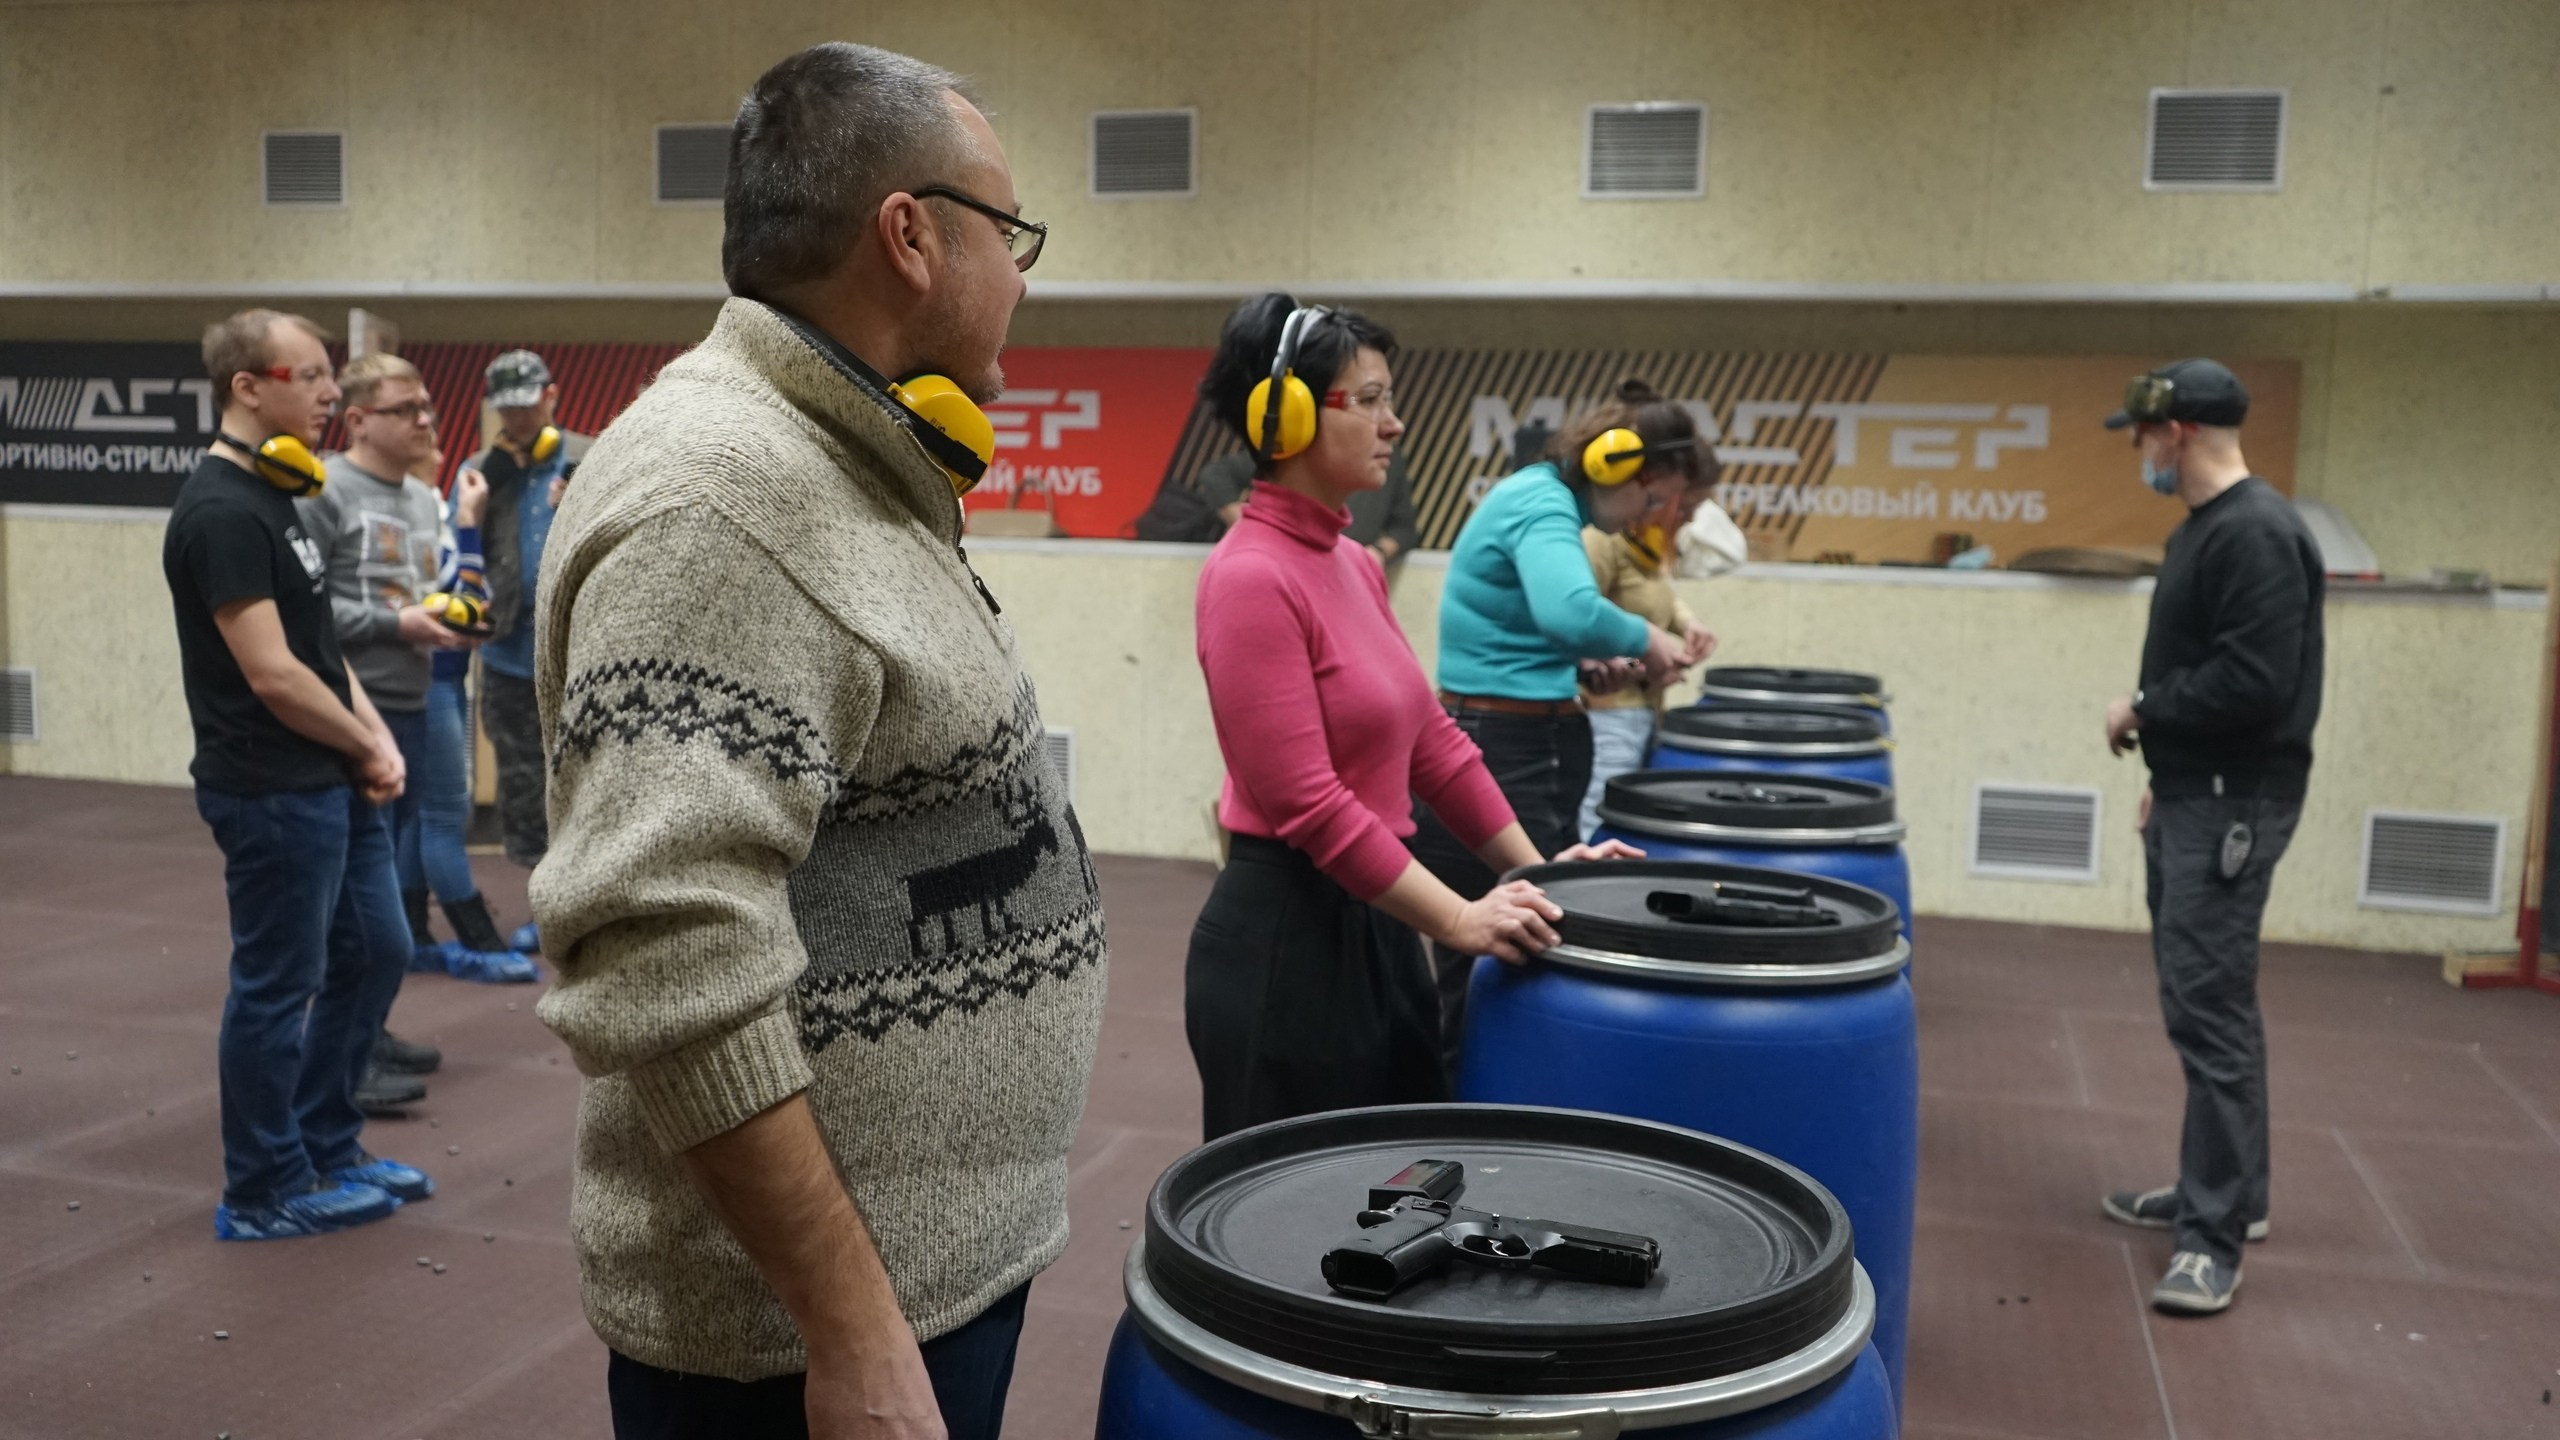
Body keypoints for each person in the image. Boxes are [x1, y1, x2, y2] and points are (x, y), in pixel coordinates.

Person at [529, 43, 1098, 1440]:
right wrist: (854, 1332)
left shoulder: (845, 463)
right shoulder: (723, 508)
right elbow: (664, 947)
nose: (1025, 275)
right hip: (815, 1343)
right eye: (1009, 235)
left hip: (925, 1279)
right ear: (910, 236)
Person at [1185, 295, 1634, 1142]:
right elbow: (1308, 805)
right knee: (1294, 1235)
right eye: (1370, 400)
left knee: (1398, 1192)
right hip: (1287, 946)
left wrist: (1540, 875)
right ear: (1282, 419)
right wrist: (1462, 920)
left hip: (1383, 924)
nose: (1394, 423)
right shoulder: (1247, 577)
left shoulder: (1352, 563)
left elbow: (1434, 743)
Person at [160, 309, 435, 1240]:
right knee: (279, 982)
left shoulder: (278, 496)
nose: (332, 395)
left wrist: (374, 737)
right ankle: (263, 1185)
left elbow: (317, 652)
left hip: (330, 776)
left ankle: (325, 1140)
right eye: (313, 376)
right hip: (270, 788)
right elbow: (273, 675)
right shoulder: (222, 512)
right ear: (249, 386)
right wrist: (363, 744)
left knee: (378, 949)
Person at [2096, 358, 2324, 1317]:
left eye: (2143, 436)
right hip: (2202, 791)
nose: (2140, 453)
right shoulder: (2210, 530)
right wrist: (2169, 779)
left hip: (2232, 802)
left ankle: (2212, 1241)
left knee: (2211, 1010)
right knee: (2208, 1005)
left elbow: (2251, 685)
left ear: (2176, 432)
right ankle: (2228, 1193)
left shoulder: (2256, 534)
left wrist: (2143, 711)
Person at [1408, 381, 1712, 1070]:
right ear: (1614, 466)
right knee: (1512, 945)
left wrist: (1582, 670)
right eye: (1655, 496)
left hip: (1510, 735)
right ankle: (1473, 1116)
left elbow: (1525, 634)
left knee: (1496, 948)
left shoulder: (1539, 500)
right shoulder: (1543, 503)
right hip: (1508, 748)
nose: (1651, 515)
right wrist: (1646, 639)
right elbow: (1570, 612)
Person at [305, 355, 532, 1001]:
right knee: (346, 895)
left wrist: (451, 617)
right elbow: (303, 613)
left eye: (427, 407)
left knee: (380, 892)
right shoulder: (324, 491)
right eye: (406, 410)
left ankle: (369, 1033)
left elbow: (436, 593)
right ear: (357, 420)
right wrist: (398, 624)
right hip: (349, 707)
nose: (426, 421)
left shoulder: (419, 500)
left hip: (411, 701)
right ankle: (347, 1050)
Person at [466, 347, 586, 947]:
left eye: (527, 404)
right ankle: (543, 906)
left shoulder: (588, 458)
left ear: (551, 397)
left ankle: (588, 901)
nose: (516, 418)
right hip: (507, 654)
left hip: (580, 651)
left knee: (585, 774)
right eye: (506, 409)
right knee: (522, 782)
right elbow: (462, 550)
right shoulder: (479, 474)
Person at [1575, 474, 1721, 839]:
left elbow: (1658, 596)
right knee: (1597, 819)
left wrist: (1688, 624)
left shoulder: (1646, 545)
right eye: (1684, 508)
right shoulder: (1600, 541)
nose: (1688, 519)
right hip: (1607, 714)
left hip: (1643, 708)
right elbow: (1579, 622)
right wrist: (1643, 665)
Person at [1192, 443, 1421, 566]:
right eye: (1367, 400)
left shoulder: (1390, 460)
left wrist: (1377, 553)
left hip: (1347, 576)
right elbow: (1216, 475)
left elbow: (1404, 530)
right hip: (1289, 567)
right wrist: (1252, 527)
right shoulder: (1298, 450)